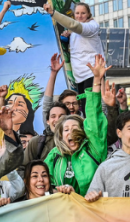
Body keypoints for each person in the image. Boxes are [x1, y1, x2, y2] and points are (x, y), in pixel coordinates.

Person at [44, 55, 109, 195]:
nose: (70, 132)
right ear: (61, 136)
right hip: (63, 212)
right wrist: (59, 191)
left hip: (93, 210)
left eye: (75, 128)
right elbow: (45, 185)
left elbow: (95, 117)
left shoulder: (94, 149)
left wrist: (97, 80)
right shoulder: (53, 155)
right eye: (66, 129)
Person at [43, 2, 104, 96]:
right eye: (77, 13)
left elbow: (74, 25)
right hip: (79, 76)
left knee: (92, 107)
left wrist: (52, 12)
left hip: (92, 74)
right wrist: (67, 39)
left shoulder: (91, 26)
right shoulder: (73, 32)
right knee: (84, 108)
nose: (80, 16)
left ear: (88, 14)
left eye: (83, 13)